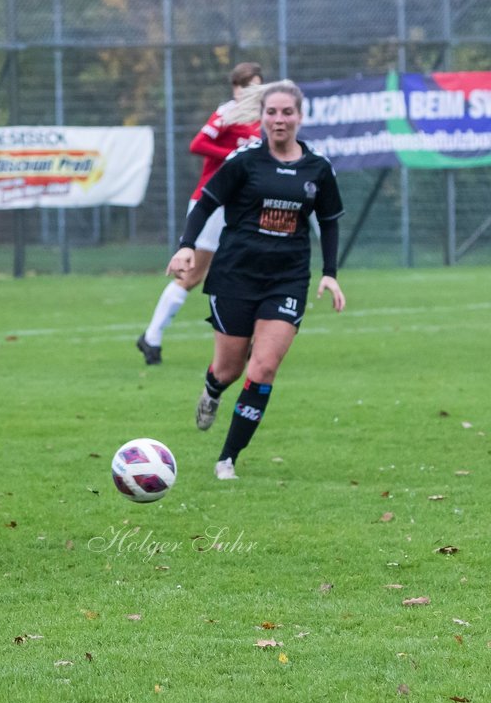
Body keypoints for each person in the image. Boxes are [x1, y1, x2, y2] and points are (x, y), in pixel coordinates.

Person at [167, 80, 345, 480]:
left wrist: (330, 274)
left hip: (287, 280)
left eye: (287, 112)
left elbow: (329, 223)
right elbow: (206, 203)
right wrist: (186, 246)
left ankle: (227, 458)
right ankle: (213, 390)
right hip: (235, 275)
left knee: (262, 367)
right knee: (229, 370)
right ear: (261, 117)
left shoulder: (318, 167)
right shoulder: (244, 161)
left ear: (300, 117)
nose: (279, 120)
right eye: (272, 112)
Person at [137, 62, 264, 364]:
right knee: (193, 275)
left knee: (247, 272)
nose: (250, 93)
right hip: (213, 204)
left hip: (243, 208)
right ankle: (151, 337)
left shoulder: (264, 120)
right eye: (245, 86)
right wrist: (233, 156)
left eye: (256, 86)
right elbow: (198, 143)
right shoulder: (227, 113)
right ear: (235, 89)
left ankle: (245, 342)